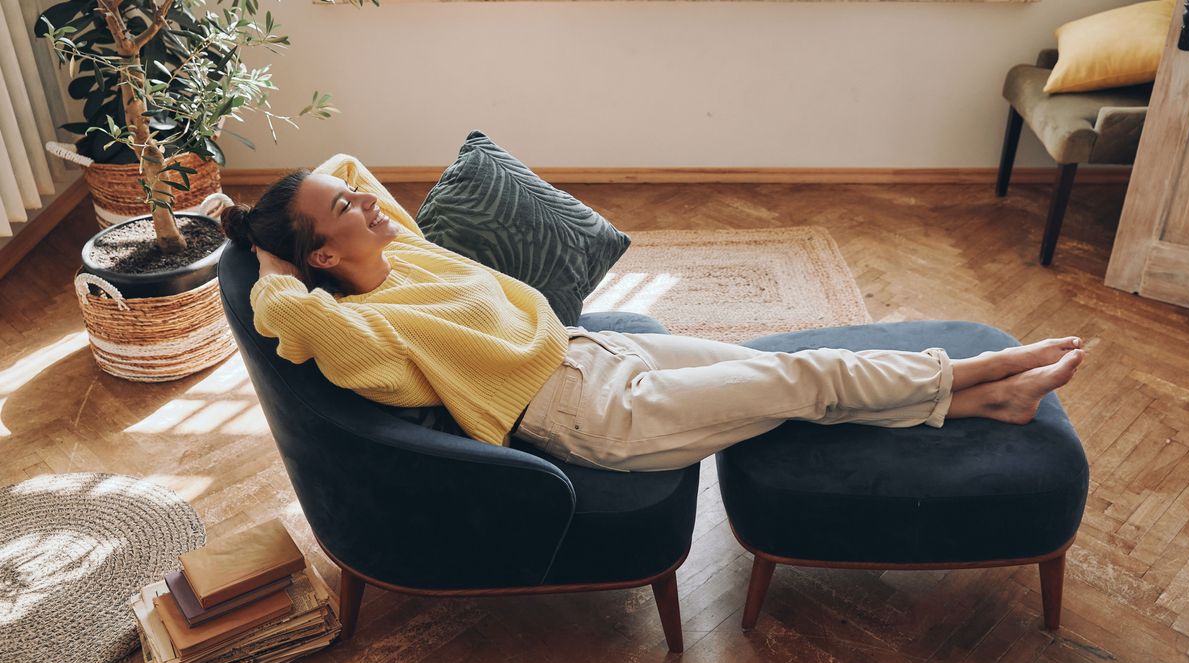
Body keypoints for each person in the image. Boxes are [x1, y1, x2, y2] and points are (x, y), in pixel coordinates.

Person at [221, 156, 1084, 473]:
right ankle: (973, 372)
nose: (371, 203)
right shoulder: (366, 327)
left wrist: (298, 212)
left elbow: (347, 166)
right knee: (802, 374)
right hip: (593, 417)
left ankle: (975, 403)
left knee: (779, 377)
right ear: (322, 259)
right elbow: (293, 318)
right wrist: (265, 258)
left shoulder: (402, 250)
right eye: (348, 211)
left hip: (593, 355)